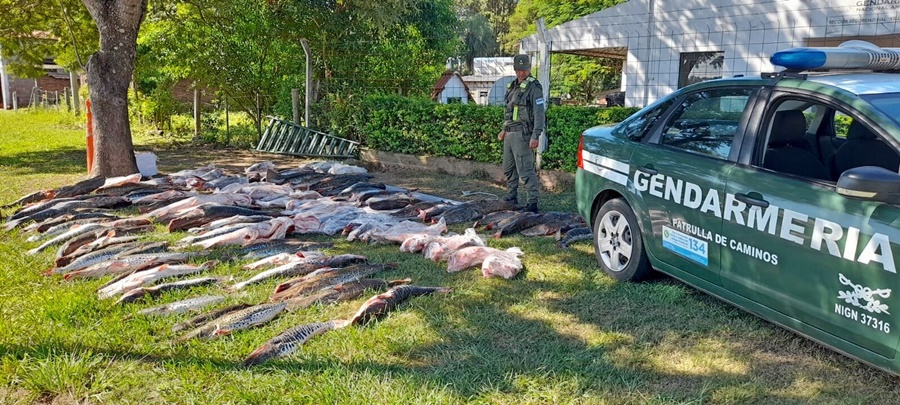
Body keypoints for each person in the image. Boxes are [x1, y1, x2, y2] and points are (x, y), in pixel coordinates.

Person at [498, 54, 545, 213]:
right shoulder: (512, 86)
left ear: (529, 68)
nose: (521, 73)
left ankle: (532, 203)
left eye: (524, 70)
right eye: (518, 70)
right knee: (509, 168)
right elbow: (510, 111)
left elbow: (539, 113)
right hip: (510, 134)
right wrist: (504, 129)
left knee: (525, 169)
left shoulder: (534, 87)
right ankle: (511, 197)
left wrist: (535, 135)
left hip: (523, 135)